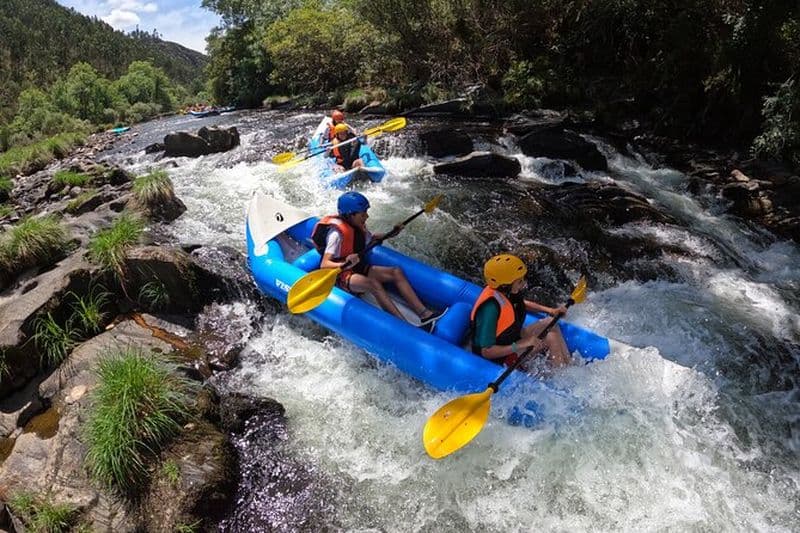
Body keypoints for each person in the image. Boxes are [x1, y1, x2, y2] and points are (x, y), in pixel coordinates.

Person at [311, 191, 445, 331]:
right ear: (351, 215)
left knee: (396, 272)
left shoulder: (357, 226)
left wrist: (392, 232)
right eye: (363, 214)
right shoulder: (336, 234)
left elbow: (372, 239)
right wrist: (344, 264)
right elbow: (324, 264)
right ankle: (404, 327)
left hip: (356, 266)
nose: (367, 216)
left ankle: (425, 315)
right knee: (373, 284)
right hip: (340, 273)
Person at [470, 254, 571, 368]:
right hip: (499, 357)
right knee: (551, 338)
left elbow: (521, 304)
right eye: (519, 281)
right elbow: (487, 352)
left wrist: (550, 310)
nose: (524, 284)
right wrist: (521, 344)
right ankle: (561, 377)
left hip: (511, 339)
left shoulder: (505, 292)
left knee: (550, 322)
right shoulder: (490, 309)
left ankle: (569, 366)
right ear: (505, 285)